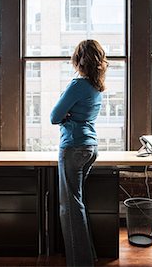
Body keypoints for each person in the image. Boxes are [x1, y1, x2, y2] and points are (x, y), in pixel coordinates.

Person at [50, 39, 108, 266]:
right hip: (90, 147)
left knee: (70, 208)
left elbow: (55, 116)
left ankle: (80, 263)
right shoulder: (96, 87)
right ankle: (88, 256)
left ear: (78, 59)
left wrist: (67, 117)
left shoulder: (78, 85)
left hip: (73, 147)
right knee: (78, 204)